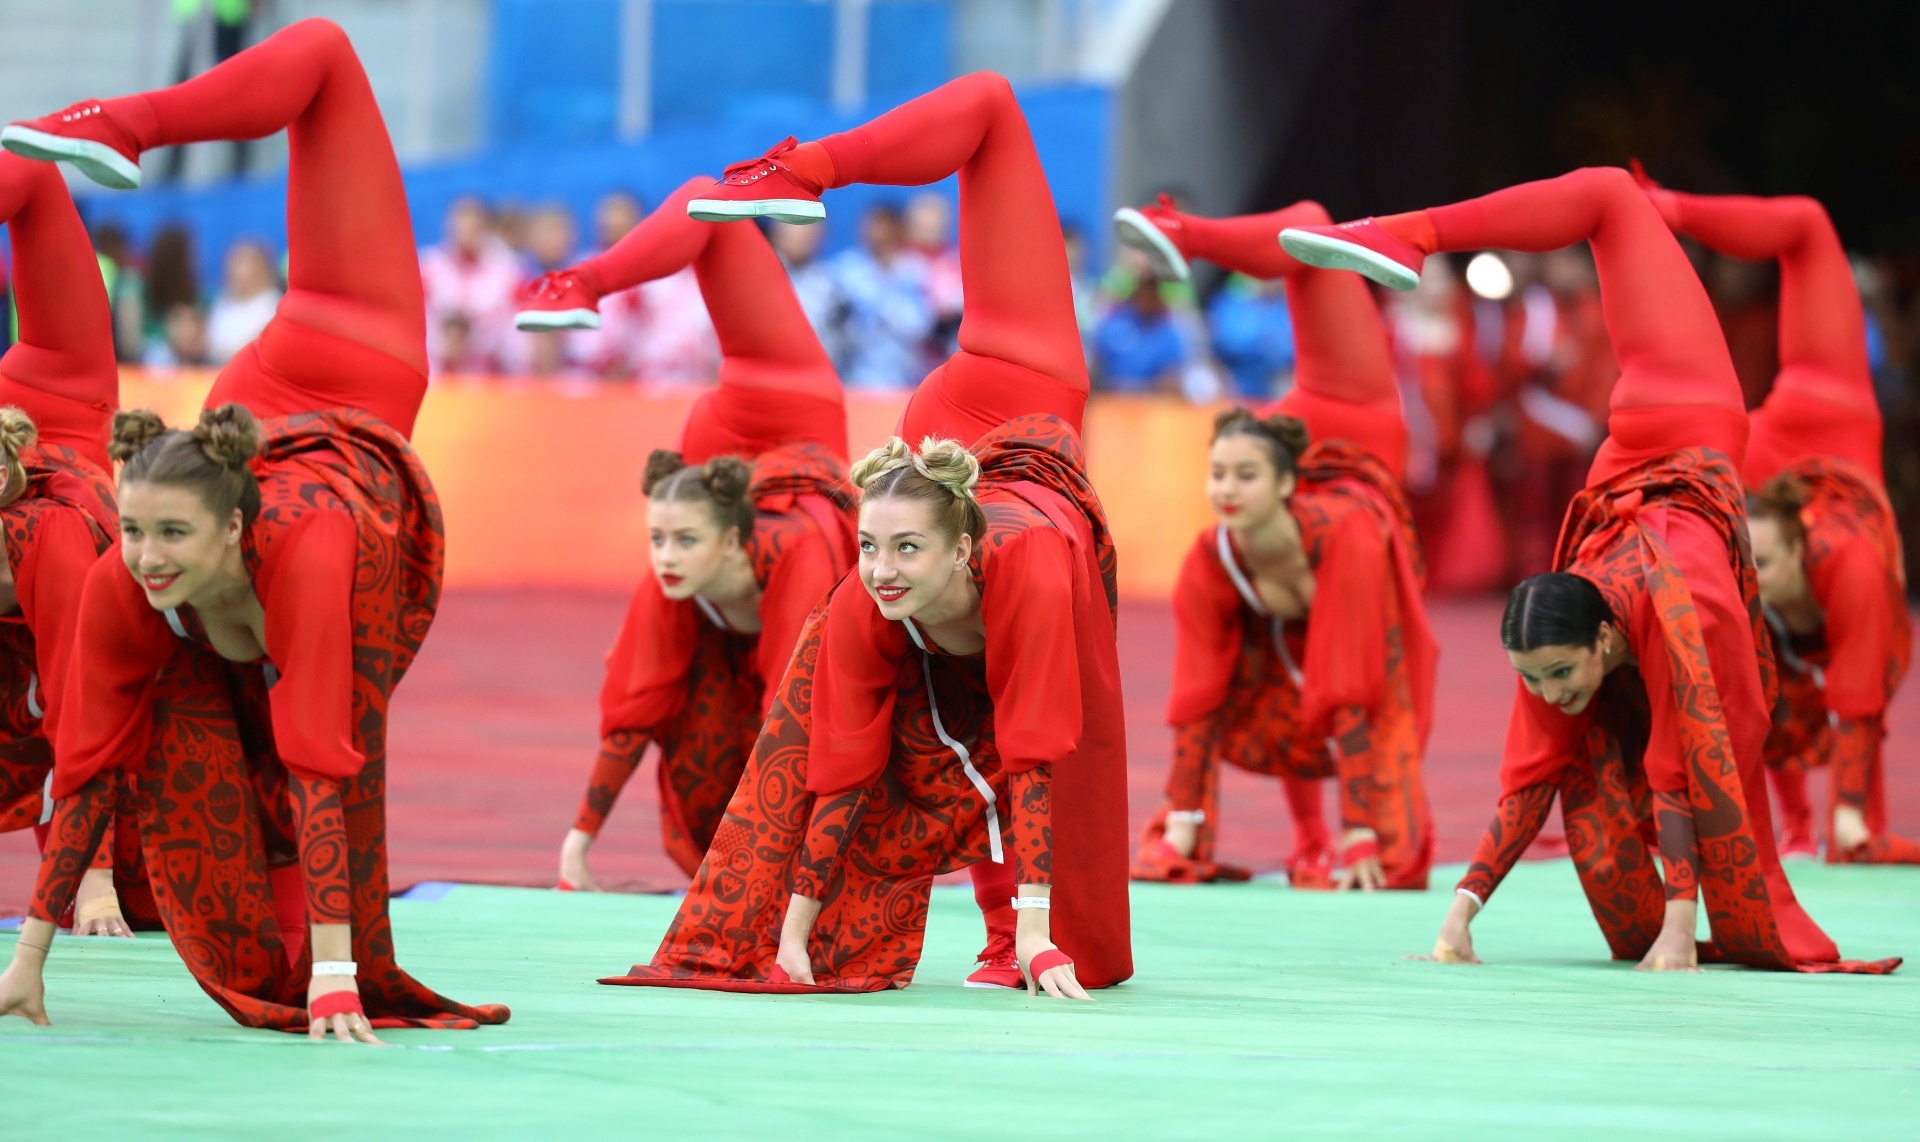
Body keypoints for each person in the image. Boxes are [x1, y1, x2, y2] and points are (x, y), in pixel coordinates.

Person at [0, 18, 511, 1038]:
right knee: (319, 55)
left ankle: (127, 123)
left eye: (167, 540)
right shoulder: (120, 568)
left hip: (332, 359)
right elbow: (94, 754)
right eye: (134, 534)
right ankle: (118, 127)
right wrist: (31, 954)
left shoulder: (302, 554)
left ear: (234, 533)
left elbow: (326, 759)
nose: (143, 559)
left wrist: (335, 975)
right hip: (303, 390)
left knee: (324, 49)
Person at [1282, 167, 1898, 973]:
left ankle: (1413, 231)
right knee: (1652, 204)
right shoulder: (1566, 627)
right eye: (1537, 680)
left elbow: (1696, 757)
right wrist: (1461, 913)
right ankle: (1398, 229)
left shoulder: (1676, 605)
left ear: (1607, 639)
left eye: (1557, 677)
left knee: (1617, 196)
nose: (1549, 694)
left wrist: (1684, 921)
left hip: (1685, 422)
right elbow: (1535, 769)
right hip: (1688, 442)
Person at [600, 73, 1132, 998]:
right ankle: (777, 183)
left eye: (895, 558)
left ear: (962, 553)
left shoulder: (1024, 569)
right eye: (869, 555)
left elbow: (1040, 751)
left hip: (989, 408)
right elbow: (835, 762)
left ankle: (792, 176)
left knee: (996, 108)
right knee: (994, 113)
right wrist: (791, 932)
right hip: (955, 444)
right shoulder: (865, 589)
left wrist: (1038, 938)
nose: (878, 575)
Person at [515, 177, 855, 891]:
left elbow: (789, 716)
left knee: (710, 197)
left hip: (776, 418)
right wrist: (579, 842)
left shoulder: (798, 552)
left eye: (676, 544)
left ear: (728, 544)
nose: (664, 559)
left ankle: (585, 278)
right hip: (761, 421)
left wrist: (773, 865)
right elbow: (636, 702)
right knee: (709, 197)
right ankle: (580, 281)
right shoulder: (683, 563)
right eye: (658, 543)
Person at [1112, 198, 1436, 892]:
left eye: (1242, 477)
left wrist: (1359, 830)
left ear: (1286, 482)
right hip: (1291, 450)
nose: (1224, 491)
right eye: (1216, 476)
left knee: (1316, 226)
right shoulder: (1212, 554)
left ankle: (1187, 234)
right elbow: (1197, 692)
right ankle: (1306, 839)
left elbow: (1349, 684)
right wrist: (1184, 822)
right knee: (1271, 678)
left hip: (1356, 417)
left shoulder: (1343, 536)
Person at [1639, 177, 1918, 864]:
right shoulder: (1754, 557)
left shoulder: (1852, 571)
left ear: (1798, 558)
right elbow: (1757, 701)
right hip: (1822, 418)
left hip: (1800, 452)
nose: (1753, 577)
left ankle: (1662, 214)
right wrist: (1803, 826)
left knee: (1809, 221)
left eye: (1765, 567)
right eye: (1752, 566)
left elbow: (1860, 704)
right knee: (1809, 223)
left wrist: (1849, 818)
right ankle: (1660, 211)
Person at [0, 153, 155, 938]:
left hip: (58, 401)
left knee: (31, 170)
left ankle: (91, 874)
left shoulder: (53, 543)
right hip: (56, 402)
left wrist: (87, 885)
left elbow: (73, 705)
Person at [205, 239, 281, 364]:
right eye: (233, 263)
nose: (235, 271)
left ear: (261, 268)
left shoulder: (273, 305)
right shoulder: (223, 302)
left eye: (243, 264)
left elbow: (254, 349)